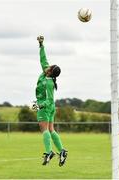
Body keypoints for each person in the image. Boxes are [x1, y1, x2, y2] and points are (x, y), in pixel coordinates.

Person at [33, 35, 68, 166]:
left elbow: (48, 100)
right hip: (50, 106)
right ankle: (62, 151)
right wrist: (41, 45)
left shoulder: (48, 83)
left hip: (46, 106)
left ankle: (49, 152)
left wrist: (38, 105)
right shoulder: (47, 73)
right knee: (51, 129)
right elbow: (43, 59)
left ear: (50, 72)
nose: (47, 66)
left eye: (49, 67)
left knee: (44, 129)